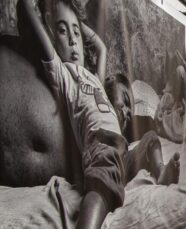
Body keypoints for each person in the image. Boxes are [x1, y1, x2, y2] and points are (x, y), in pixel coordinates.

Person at [19, 0, 125, 227]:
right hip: (100, 145)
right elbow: (28, 8)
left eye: (76, 33)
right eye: (62, 31)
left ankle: (161, 173)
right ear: (52, 35)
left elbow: (101, 47)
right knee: (102, 180)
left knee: (149, 142)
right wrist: (56, 22)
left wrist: (77, 22)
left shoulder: (94, 76)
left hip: (120, 148)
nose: (72, 41)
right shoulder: (62, 73)